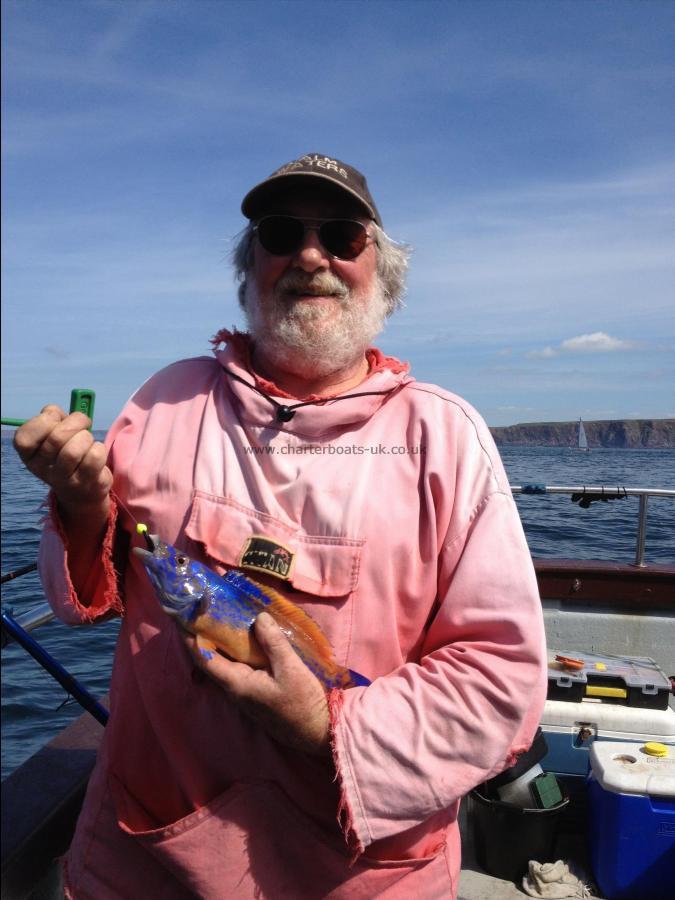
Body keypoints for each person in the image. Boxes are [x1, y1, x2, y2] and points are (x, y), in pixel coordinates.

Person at [15, 153, 547, 899]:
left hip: (356, 874)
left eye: (340, 235)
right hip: (143, 857)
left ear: (382, 273)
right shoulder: (165, 398)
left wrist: (327, 727)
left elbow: (501, 683)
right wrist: (77, 505)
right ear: (249, 266)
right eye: (278, 232)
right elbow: (88, 600)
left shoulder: (444, 435)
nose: (309, 255)